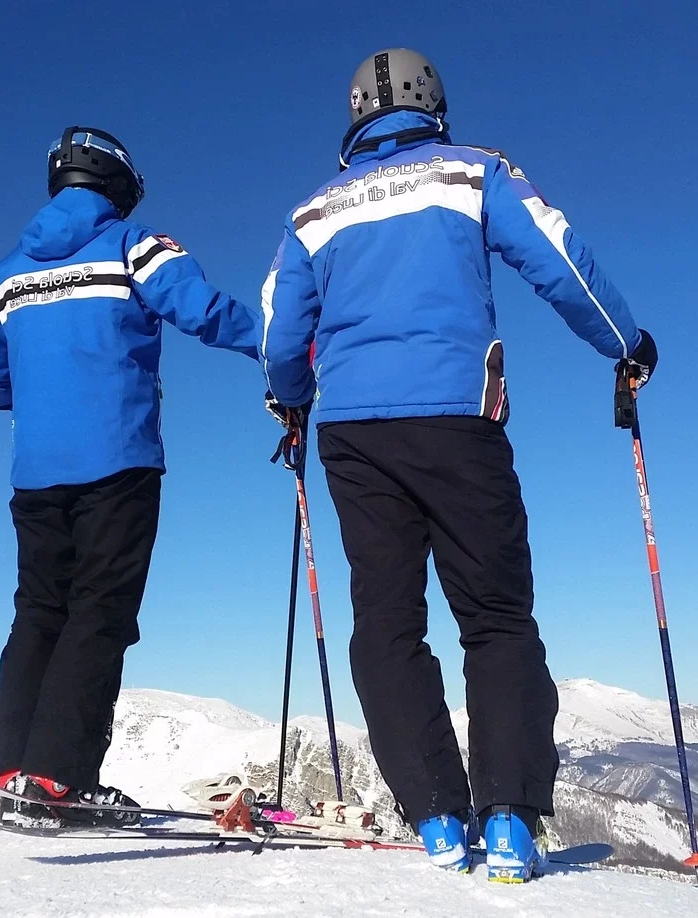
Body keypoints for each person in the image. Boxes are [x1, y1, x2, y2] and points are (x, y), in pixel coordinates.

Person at [259, 50, 659, 882]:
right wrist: (626, 345)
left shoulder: (313, 213)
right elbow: (558, 258)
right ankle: (509, 821)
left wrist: (293, 398)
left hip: (356, 435)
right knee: (496, 613)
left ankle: (438, 817)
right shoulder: (472, 171)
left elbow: (280, 333)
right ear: (432, 103)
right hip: (455, 418)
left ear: (357, 111)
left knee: (387, 618)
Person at [0, 126, 262, 827]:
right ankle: (58, 780)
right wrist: (286, 345)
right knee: (99, 613)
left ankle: (13, 770)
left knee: (39, 611)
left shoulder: (5, 275)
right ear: (119, 184)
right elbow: (202, 311)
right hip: (118, 462)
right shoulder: (136, 245)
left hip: (35, 474)